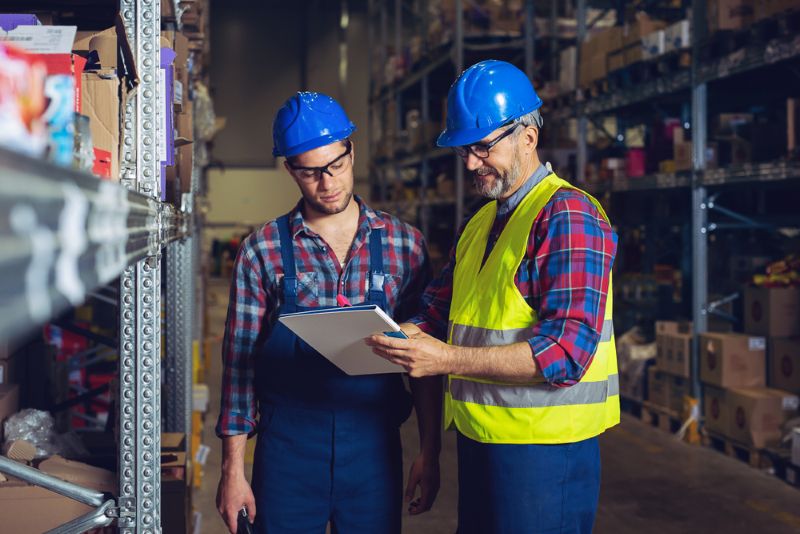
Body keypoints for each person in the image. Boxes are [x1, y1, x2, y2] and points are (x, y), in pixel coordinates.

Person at [366, 60, 619, 534]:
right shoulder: (481, 223)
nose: (469, 165)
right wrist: (384, 335)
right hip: (481, 441)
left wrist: (443, 359)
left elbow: (566, 354)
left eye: (482, 148)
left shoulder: (568, 216)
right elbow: (435, 314)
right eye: (463, 151)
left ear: (528, 136)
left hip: (545, 452)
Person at [216, 91, 441, 534]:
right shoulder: (261, 251)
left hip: (374, 451)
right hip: (288, 454)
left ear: (351, 151)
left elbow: (426, 364)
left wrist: (430, 451)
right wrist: (232, 470)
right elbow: (238, 367)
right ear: (290, 170)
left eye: (336, 165)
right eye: (310, 172)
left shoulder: (404, 246)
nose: (328, 182)